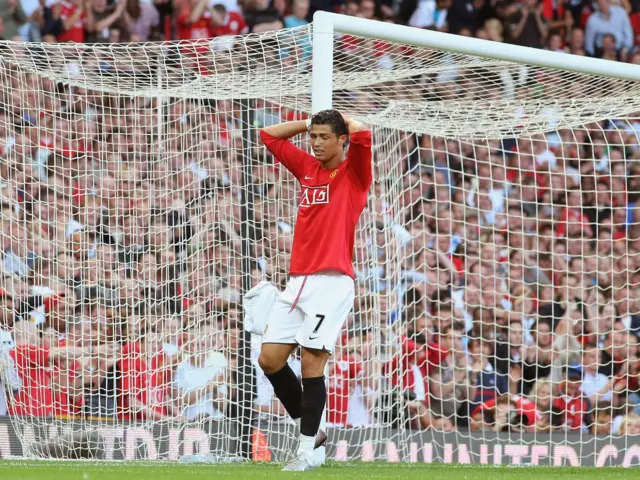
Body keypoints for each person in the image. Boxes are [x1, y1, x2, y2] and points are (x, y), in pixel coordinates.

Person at [257, 110, 372, 471]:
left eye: (325, 137)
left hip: (332, 282)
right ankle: (312, 430)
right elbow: (269, 136)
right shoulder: (307, 167)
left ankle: (306, 452)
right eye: (314, 137)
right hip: (298, 280)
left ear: (342, 141)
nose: (317, 143)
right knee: (269, 359)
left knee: (311, 362)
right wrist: (308, 123)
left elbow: (363, 133)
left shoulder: (354, 173)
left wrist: (344, 121)